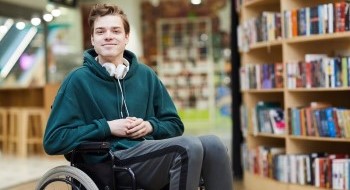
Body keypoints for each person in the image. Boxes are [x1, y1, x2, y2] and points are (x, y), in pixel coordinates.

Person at [43, 3, 233, 190]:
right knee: (187, 147)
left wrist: (149, 126)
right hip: (109, 162)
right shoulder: (77, 80)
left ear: (126, 37)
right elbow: (54, 140)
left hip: (147, 155)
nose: (108, 36)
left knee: (214, 145)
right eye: (100, 32)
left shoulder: (146, 75)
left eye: (115, 31)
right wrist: (107, 127)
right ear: (92, 39)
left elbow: (174, 125)